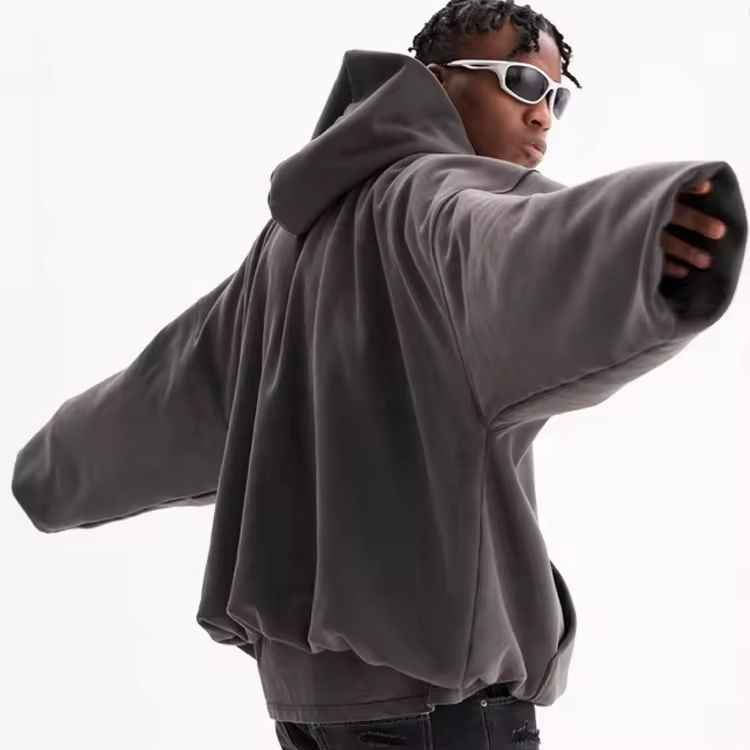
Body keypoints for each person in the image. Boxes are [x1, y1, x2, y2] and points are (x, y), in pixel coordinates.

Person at [11, 1, 746, 749]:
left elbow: (163, 400)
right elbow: (524, 247)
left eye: (556, 96)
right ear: (437, 81)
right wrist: (643, 234)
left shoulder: (285, 250)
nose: (542, 114)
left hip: (311, 712)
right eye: (522, 81)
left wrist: (47, 471)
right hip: (441, 708)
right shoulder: (439, 208)